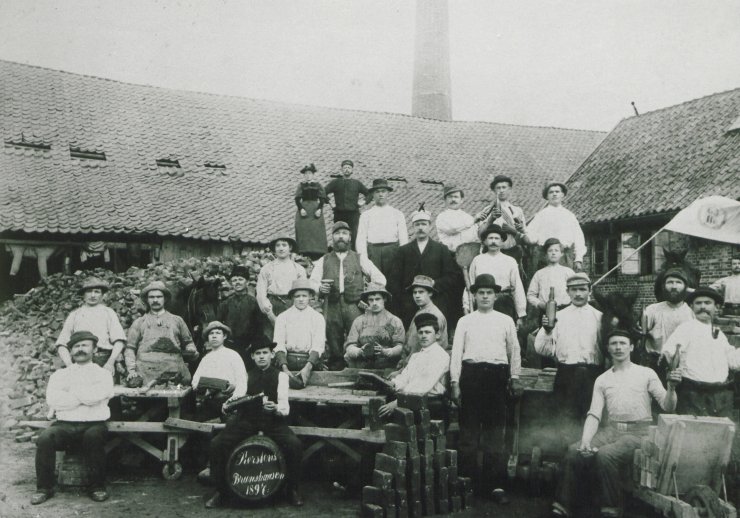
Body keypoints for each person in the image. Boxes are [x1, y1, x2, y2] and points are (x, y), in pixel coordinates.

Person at [550, 329, 680, 518]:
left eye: (623, 343)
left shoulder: (646, 373)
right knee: (573, 451)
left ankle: (610, 509)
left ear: (631, 347)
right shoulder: (602, 379)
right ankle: (562, 506)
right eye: (614, 344)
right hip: (611, 431)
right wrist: (586, 440)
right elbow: (594, 414)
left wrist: (672, 388)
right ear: (608, 349)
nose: (618, 347)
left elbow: (668, 406)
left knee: (605, 455)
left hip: (639, 434)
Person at [205, 337, 304, 509]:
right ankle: (221, 491)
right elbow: (238, 396)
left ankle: (292, 489)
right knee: (217, 444)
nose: (261, 357)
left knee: (294, 445)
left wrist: (275, 408)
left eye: (265, 353)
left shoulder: (281, 376)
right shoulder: (246, 376)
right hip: (247, 421)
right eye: (257, 354)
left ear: (272, 355)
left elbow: (285, 407)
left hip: (273, 421)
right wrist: (229, 404)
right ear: (252, 357)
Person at [450, 273, 522, 503]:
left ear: (495, 295)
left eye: (489, 292)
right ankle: (467, 484)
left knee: (494, 434)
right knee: (469, 434)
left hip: (497, 378)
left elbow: (514, 351)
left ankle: (495, 486)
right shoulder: (465, 321)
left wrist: (514, 377)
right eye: (480, 292)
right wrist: (454, 382)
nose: (484, 296)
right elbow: (456, 354)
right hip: (471, 376)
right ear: (474, 295)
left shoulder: (505, 320)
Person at [32, 331, 114, 505]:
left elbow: (98, 395)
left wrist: (71, 392)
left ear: (94, 349)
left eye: (85, 345)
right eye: (76, 346)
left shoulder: (104, 374)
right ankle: (44, 488)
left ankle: (97, 487)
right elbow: (54, 400)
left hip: (94, 425)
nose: (80, 349)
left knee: (94, 437)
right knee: (45, 438)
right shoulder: (60, 375)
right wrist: (86, 396)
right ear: (70, 351)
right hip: (65, 426)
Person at [534, 273, 604, 442]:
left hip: (593, 376)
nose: (578, 294)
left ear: (590, 291)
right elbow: (542, 350)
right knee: (565, 423)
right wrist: (547, 330)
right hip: (567, 376)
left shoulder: (600, 317)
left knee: (592, 419)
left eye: (582, 289)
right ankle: (566, 461)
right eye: (574, 290)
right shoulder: (559, 317)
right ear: (568, 292)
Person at [310, 221, 386, 370]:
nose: (341, 237)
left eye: (344, 234)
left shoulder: (359, 258)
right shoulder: (323, 260)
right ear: (332, 237)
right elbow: (311, 282)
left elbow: (380, 279)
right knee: (332, 336)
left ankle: (356, 366)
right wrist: (319, 287)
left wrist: (367, 295)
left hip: (354, 304)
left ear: (350, 237)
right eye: (337, 234)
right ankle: (335, 367)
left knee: (357, 335)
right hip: (331, 304)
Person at [661, 286, 740, 418]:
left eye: (707, 303)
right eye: (698, 303)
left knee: (720, 434)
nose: (702, 306)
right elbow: (668, 352)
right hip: (693, 394)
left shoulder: (719, 334)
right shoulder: (686, 328)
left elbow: (733, 362)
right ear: (692, 307)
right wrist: (673, 368)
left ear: (717, 308)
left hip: (719, 395)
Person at [390, 205, 465, 328]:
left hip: (436, 300)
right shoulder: (403, 251)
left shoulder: (441, 249)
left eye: (424, 224)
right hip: (409, 302)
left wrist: (435, 284)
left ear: (430, 226)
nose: (421, 228)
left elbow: (452, 276)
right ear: (413, 227)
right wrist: (404, 297)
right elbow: (394, 279)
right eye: (417, 224)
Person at [378, 313, 450, 421]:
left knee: (388, 414)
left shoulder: (440, 355)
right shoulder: (416, 356)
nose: (423, 336)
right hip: (411, 400)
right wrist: (393, 383)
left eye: (428, 332)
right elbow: (405, 378)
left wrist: (397, 403)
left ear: (437, 335)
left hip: (430, 404)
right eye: (420, 333)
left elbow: (421, 386)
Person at [124, 281, 198, 386]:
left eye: (159, 297)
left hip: (174, 370)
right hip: (146, 373)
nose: (155, 300)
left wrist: (192, 350)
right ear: (146, 300)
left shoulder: (177, 320)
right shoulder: (139, 322)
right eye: (151, 297)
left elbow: (188, 342)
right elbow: (130, 349)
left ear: (165, 299)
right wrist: (132, 371)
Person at [56, 277, 126, 377]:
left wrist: (110, 363)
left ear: (102, 295)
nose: (93, 295)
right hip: (80, 360)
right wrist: (70, 365)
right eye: (89, 291)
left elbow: (119, 340)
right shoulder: (75, 315)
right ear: (83, 294)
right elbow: (61, 344)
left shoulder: (108, 313)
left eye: (97, 292)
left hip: (103, 360)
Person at [467, 224, 526, 325]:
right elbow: (470, 285)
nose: (493, 241)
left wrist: (520, 313)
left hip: (504, 303)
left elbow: (517, 287)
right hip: (483, 302)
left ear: (502, 241)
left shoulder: (510, 261)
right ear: (485, 241)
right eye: (490, 238)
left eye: (496, 238)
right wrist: (467, 306)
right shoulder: (477, 260)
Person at [273, 278, 326, 387]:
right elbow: (278, 344)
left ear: (310, 297)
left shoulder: (317, 317)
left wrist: (307, 368)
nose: (301, 299)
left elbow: (318, 346)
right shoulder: (282, 317)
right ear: (292, 297)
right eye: (297, 296)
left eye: (304, 296)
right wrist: (284, 368)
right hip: (287, 363)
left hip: (310, 364)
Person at [525, 180, 586, 273]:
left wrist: (578, 258)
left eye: (557, 192)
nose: (554, 194)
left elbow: (579, 238)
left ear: (562, 195)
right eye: (551, 192)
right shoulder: (540, 215)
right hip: (544, 258)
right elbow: (530, 235)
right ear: (547, 196)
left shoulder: (569, 216)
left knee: (564, 284)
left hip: (564, 257)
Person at [641, 268, 694, 375]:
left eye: (678, 282)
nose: (674, 286)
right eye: (670, 282)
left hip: (684, 367)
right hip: (655, 365)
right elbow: (641, 335)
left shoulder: (692, 313)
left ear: (685, 287)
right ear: (664, 286)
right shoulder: (652, 310)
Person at [192, 321, 247, 420]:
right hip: (210, 401)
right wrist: (202, 387)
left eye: (218, 333)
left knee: (231, 423)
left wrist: (232, 400)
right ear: (208, 337)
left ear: (224, 336)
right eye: (211, 333)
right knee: (196, 424)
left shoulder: (233, 355)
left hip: (230, 400)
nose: (214, 336)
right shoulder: (206, 359)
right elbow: (195, 381)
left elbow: (242, 382)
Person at [394, 275, 448, 372]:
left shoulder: (434, 315)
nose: (417, 295)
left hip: (425, 369)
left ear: (430, 293)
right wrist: (403, 362)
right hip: (411, 366)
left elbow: (429, 350)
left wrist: (403, 371)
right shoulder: (420, 312)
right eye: (415, 292)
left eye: (421, 292)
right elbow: (410, 342)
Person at [256, 236, 307, 339]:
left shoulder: (298, 269)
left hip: (291, 304)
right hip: (272, 304)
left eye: (284, 245)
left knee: (290, 336)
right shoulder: (267, 268)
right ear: (274, 249)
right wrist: (268, 310)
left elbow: (302, 291)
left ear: (290, 248)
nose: (281, 248)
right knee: (270, 337)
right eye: (278, 245)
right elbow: (261, 292)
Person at [344, 283, 405, 369]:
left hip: (387, 367)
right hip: (362, 367)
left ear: (384, 299)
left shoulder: (394, 321)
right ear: (367, 301)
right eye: (371, 300)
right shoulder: (359, 321)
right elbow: (350, 346)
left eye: (377, 299)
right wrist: (360, 352)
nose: (374, 303)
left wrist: (386, 352)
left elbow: (400, 347)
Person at [356, 178, 408, 278]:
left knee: (393, 284)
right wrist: (364, 261)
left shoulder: (397, 214)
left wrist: (402, 259)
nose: (380, 194)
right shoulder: (366, 215)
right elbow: (361, 241)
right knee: (376, 285)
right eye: (377, 192)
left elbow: (403, 239)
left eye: (383, 191)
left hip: (393, 253)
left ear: (387, 193)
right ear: (373, 194)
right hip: (373, 253)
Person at [477, 175, 527, 276]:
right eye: (498, 188)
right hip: (492, 251)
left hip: (512, 251)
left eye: (504, 187)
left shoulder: (517, 211)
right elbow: (480, 234)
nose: (501, 190)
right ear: (494, 191)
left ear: (510, 189)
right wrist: (491, 219)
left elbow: (523, 235)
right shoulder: (487, 210)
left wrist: (514, 230)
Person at [216, 265, 263, 367]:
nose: (237, 282)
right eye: (234, 280)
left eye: (240, 279)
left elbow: (259, 326)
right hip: (229, 345)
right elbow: (218, 324)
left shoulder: (253, 302)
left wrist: (253, 345)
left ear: (247, 282)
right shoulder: (226, 303)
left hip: (248, 346)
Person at [324, 159, 371, 250]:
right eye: (345, 167)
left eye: (349, 168)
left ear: (352, 170)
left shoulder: (357, 183)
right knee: (338, 235)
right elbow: (323, 192)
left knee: (353, 236)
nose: (347, 169)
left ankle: (352, 256)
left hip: (353, 215)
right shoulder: (336, 182)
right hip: (339, 214)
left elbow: (369, 194)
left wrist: (363, 202)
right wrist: (330, 202)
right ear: (342, 170)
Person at [526, 238, 575, 312]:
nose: (553, 253)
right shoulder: (539, 273)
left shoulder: (568, 272)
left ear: (561, 253)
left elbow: (575, 290)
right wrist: (540, 304)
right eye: (550, 251)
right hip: (545, 311)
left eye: (556, 250)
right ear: (546, 254)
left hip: (566, 310)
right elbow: (530, 295)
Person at [294, 163, 328, 260]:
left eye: (310, 173)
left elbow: (322, 198)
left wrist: (319, 209)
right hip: (304, 208)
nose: (308, 175)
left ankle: (318, 252)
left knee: (316, 230)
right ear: (304, 176)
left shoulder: (318, 185)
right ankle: (303, 251)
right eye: (306, 174)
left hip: (315, 208)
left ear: (313, 175)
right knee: (304, 229)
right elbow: (297, 199)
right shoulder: (301, 185)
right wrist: (301, 209)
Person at [435, 184, 480, 252]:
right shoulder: (441, 217)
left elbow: (476, 236)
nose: (453, 199)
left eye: (456, 197)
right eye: (450, 197)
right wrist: (473, 222)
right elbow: (452, 230)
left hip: (467, 256)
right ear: (445, 200)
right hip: (447, 254)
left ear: (461, 200)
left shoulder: (468, 217)